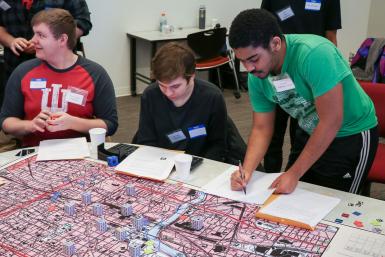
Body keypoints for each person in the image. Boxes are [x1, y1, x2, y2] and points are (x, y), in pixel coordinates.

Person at [229, 9, 378, 194]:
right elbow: (261, 128)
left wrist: (294, 173)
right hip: (310, 130)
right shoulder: (257, 75)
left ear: (275, 43)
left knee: (335, 205)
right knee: (293, 197)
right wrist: (247, 171)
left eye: (253, 59)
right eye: (242, 61)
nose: (248, 68)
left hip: (349, 134)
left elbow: (331, 121)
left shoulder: (314, 54)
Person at [0, 8, 117, 147]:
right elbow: (6, 122)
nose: (32, 41)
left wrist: (73, 123)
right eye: (34, 34)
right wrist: (31, 125)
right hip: (34, 153)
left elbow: (110, 125)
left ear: (62, 39)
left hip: (81, 154)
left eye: (40, 35)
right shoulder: (23, 72)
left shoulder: (95, 74)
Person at [260, 0, 342, 173]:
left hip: (309, 76)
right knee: (273, 134)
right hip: (278, 73)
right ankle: (269, 180)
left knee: (302, 135)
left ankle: (296, 177)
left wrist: (330, 74)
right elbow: (262, 30)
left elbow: (331, 38)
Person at [133, 42, 228, 162]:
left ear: (192, 76)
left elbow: (218, 146)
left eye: (175, 86)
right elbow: (146, 141)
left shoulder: (212, 97)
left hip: (200, 164)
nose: (168, 93)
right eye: (162, 86)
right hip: (161, 163)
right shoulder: (151, 95)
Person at [0, 0, 92, 105]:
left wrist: (50, 43)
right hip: (14, 65)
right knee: (14, 107)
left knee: (61, 107)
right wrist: (11, 41)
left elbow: (83, 23)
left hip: (58, 67)